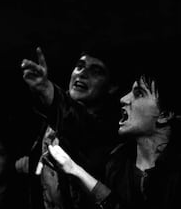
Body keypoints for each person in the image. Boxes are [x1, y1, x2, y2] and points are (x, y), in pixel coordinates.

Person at [47, 46, 181, 209]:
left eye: (139, 93)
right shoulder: (116, 163)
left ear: (165, 114)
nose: (124, 99)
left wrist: (76, 171)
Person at [16, 42, 125, 209]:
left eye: (95, 71)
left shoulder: (111, 129)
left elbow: (80, 125)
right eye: (79, 66)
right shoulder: (51, 119)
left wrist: (46, 89)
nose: (82, 73)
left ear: (111, 87)